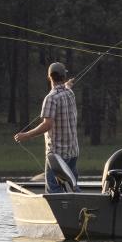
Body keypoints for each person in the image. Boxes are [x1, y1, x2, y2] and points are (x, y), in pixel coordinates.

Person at [14, 62, 79, 192]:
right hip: (73, 152)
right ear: (64, 76)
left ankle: (60, 211)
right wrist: (68, 85)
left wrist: (25, 135)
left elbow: (47, 125)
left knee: (54, 190)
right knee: (71, 187)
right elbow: (66, 88)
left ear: (49, 77)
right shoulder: (70, 93)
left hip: (57, 156)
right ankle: (80, 207)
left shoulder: (51, 98)